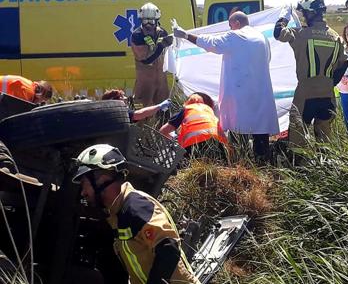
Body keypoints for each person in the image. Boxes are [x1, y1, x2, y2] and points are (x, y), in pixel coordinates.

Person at [71, 144, 199, 284]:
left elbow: (168, 247)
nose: (83, 192)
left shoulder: (135, 206)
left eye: (84, 184)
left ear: (101, 179)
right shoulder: (118, 214)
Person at [171, 11, 279, 163]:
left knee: (238, 131)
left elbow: (211, 43)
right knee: (260, 132)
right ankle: (263, 165)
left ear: (236, 23)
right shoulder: (262, 38)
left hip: (240, 96)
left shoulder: (236, 36)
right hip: (260, 93)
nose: (230, 29)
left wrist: (186, 35)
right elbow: (266, 60)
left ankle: (241, 166)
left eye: (230, 26)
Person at [273, 0, 348, 149]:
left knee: (298, 141)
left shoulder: (301, 34)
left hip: (305, 95)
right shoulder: (336, 37)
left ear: (310, 13)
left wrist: (284, 17)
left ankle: (299, 170)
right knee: (325, 143)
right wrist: (329, 82)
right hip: (327, 95)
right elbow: (344, 63)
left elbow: (278, 33)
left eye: (304, 13)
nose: (303, 16)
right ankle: (325, 171)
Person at [159, 93, 229, 161]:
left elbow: (163, 131)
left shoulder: (187, 109)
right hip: (222, 149)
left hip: (195, 150)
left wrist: (174, 140)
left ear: (187, 102)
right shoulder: (210, 112)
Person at [131, 2, 173, 107]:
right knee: (142, 116)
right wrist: (160, 47)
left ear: (157, 20)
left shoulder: (162, 33)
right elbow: (145, 60)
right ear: (141, 20)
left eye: (151, 21)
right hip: (145, 84)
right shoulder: (137, 35)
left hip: (161, 83)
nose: (148, 24)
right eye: (145, 21)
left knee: (164, 114)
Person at [101, 89, 171, 122]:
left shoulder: (104, 113)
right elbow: (139, 114)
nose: (125, 99)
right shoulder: (117, 113)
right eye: (122, 97)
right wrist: (160, 106)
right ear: (115, 100)